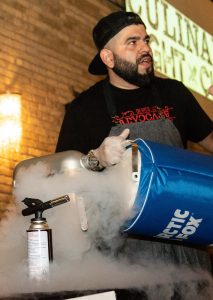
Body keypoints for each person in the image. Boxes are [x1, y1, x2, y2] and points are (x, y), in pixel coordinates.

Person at [56, 11, 213, 298]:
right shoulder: (84, 109)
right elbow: (60, 183)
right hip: (126, 263)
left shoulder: (174, 93)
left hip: (187, 249)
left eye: (146, 40)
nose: (145, 49)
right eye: (132, 42)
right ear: (108, 58)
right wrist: (96, 159)